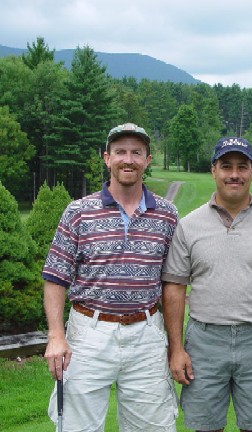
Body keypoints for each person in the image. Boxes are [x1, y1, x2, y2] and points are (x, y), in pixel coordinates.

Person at [42, 122, 179, 431]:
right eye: (120, 152)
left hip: (146, 334)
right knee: (78, 426)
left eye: (136, 153)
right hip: (88, 334)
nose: (128, 160)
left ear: (147, 160)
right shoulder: (78, 212)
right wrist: (55, 335)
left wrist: (175, 344)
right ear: (107, 158)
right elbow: (55, 277)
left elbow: (173, 283)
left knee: (153, 427)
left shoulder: (167, 215)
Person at [161, 136, 252, 432]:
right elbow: (174, 288)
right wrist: (176, 348)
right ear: (214, 171)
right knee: (206, 427)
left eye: (242, 166)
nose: (234, 174)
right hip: (204, 342)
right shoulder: (189, 225)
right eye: (226, 166)